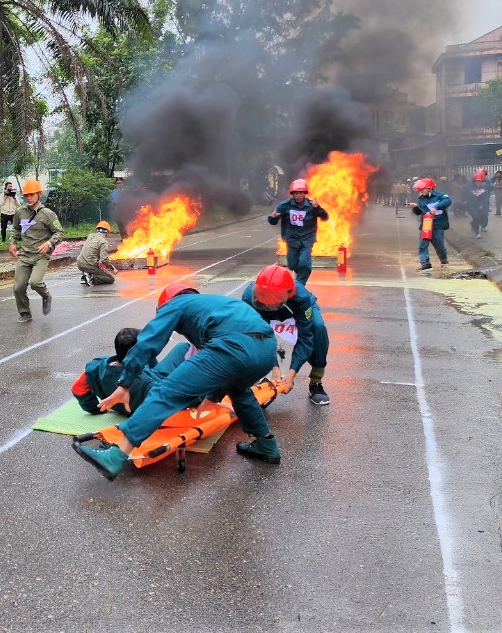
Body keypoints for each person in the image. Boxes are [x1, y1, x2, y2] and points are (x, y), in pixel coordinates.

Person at [72, 282, 280, 480]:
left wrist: (125, 382)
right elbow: (225, 370)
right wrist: (213, 396)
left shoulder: (174, 304)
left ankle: (116, 456)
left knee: (164, 392)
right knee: (240, 391)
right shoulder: (214, 303)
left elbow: (149, 340)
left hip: (233, 347)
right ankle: (267, 444)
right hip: (267, 351)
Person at [241, 264, 331, 405]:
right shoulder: (249, 297)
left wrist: (291, 373)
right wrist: (274, 367)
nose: (267, 307)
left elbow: (305, 338)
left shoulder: (301, 298)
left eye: (270, 305)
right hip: (269, 314)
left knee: (318, 329)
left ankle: (316, 382)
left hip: (293, 311)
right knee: (248, 338)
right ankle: (251, 382)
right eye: (264, 304)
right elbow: (259, 336)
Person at [10, 179, 63, 322]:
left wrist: (49, 243)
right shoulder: (20, 212)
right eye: (26, 195)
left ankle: (46, 296)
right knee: (18, 287)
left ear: (39, 194)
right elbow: (16, 228)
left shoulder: (47, 214)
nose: (28, 198)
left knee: (35, 283)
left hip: (41, 256)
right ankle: (25, 313)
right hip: (24, 255)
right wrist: (13, 243)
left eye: (31, 194)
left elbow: (59, 232)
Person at [70, 328, 154, 415]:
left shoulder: (97, 367)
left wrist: (97, 408)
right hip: (140, 414)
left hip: (116, 407)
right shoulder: (147, 380)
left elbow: (78, 388)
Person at [267, 179, 329, 284]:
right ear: (292, 194)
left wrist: (318, 208)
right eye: (296, 193)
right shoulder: (285, 205)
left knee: (304, 263)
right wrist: (273, 217)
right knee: (291, 265)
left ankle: (299, 286)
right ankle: (300, 277)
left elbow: (325, 217)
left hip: (307, 239)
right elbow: (273, 220)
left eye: (301, 193)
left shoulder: (311, 205)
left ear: (305, 194)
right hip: (292, 239)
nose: (298, 196)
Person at [411, 177, 452, 271]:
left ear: (429, 188)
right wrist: (415, 207)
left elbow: (448, 201)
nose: (420, 192)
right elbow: (419, 212)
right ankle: (425, 264)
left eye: (422, 189)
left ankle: (443, 260)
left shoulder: (440, 196)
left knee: (439, 245)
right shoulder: (421, 199)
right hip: (425, 225)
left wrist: (436, 207)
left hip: (438, 225)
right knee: (423, 245)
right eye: (420, 190)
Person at [76, 221, 116, 286]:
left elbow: (92, 251)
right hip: (88, 265)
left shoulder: (90, 236)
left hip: (79, 263)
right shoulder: (103, 242)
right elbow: (104, 260)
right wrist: (113, 268)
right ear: (107, 232)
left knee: (93, 264)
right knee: (111, 279)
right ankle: (91, 278)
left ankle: (85, 276)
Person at [466, 169, 491, 238]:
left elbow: (485, 198)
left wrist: (482, 204)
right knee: (476, 217)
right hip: (472, 206)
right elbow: (467, 196)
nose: (478, 183)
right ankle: (477, 232)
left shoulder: (484, 188)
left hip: (481, 206)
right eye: (477, 181)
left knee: (483, 216)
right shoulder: (469, 188)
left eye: (480, 181)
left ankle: (479, 225)